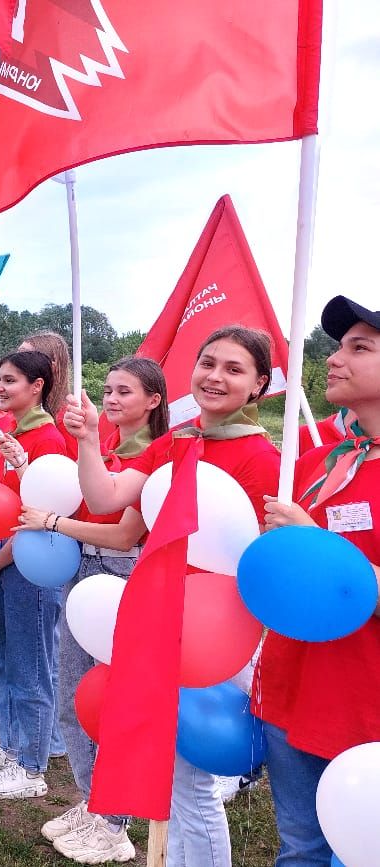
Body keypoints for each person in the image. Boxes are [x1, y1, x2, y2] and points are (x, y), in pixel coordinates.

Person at [65, 325, 282, 867]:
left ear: (258, 386)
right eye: (208, 363)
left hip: (219, 635)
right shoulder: (179, 440)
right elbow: (107, 497)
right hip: (161, 616)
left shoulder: (263, 458)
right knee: (177, 782)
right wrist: (90, 439)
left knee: (192, 786)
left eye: (234, 370)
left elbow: (264, 563)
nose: (214, 376)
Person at [14, 356, 167, 863]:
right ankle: (93, 799)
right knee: (75, 696)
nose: (112, 398)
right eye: (109, 388)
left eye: (126, 391)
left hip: (119, 577)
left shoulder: (149, 456)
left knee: (108, 699)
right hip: (85, 575)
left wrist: (54, 523)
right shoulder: (106, 448)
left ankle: (114, 821)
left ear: (154, 401)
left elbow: (125, 532)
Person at [256, 295, 380, 867]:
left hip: (364, 705)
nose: (334, 359)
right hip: (293, 689)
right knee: (300, 848)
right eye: (337, 346)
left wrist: (315, 546)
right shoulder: (319, 464)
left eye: (360, 348)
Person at [0, 350, 68, 799]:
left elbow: (35, 515)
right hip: (1, 557)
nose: (0, 389)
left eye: (9, 381)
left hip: (27, 563)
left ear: (37, 387)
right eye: (0, 381)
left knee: (31, 665)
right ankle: (9, 745)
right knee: (1, 657)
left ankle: (31, 767)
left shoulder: (48, 442)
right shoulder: (8, 433)